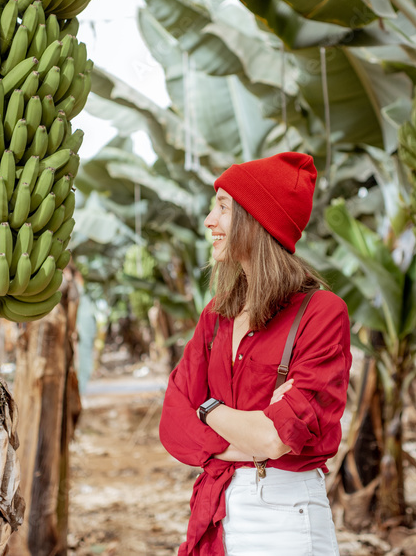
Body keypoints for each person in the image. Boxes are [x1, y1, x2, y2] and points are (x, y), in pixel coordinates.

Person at [159, 152, 352, 555]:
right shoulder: (216, 316)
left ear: (257, 221)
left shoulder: (321, 313)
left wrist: (207, 409)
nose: (210, 220)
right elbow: (173, 424)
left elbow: (276, 436)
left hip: (287, 517)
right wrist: (253, 431)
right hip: (218, 509)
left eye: (224, 208)